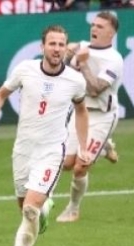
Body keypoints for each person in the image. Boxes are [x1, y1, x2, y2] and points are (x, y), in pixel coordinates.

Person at [0, 24, 89, 246]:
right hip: (23, 150)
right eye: (52, 44)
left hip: (51, 151)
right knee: (25, 208)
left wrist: (84, 146)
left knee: (30, 210)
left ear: (66, 49)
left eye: (61, 44)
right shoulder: (25, 70)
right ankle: (45, 205)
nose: (57, 49)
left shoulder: (75, 80)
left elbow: (82, 111)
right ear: (42, 47)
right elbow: (1, 93)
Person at [55, 11, 124, 223]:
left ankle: (73, 209)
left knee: (80, 166)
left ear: (111, 33)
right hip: (80, 113)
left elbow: (95, 89)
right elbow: (63, 68)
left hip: (102, 116)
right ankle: (104, 147)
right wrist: (67, 54)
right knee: (66, 163)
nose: (94, 28)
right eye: (94, 25)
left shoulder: (114, 59)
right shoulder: (82, 47)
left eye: (100, 26)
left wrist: (83, 63)